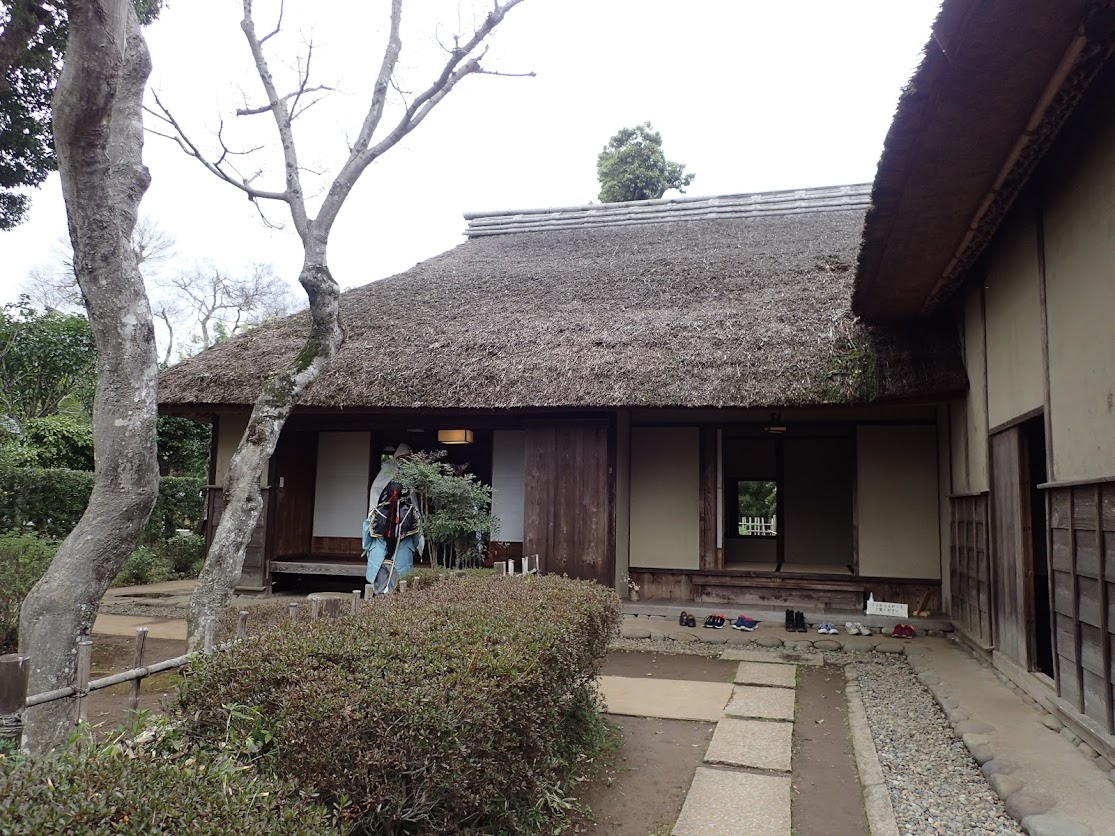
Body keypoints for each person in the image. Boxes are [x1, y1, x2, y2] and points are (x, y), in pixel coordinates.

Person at [363, 443, 424, 593]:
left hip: (379, 553)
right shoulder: (411, 516)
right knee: (398, 590)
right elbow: (416, 537)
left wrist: (368, 549)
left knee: (381, 590)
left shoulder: (375, 516)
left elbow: (367, 536)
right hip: (401, 555)